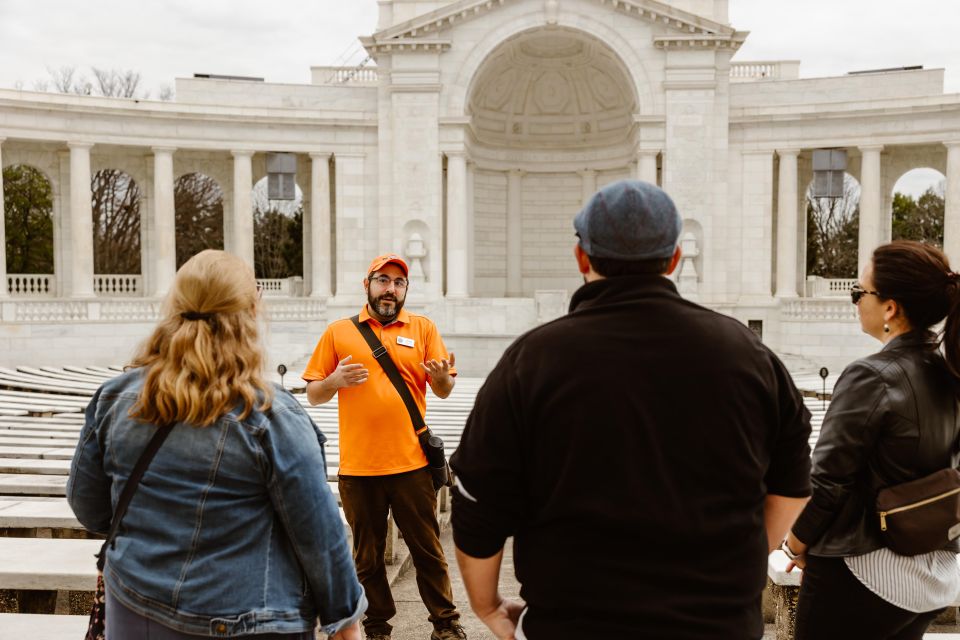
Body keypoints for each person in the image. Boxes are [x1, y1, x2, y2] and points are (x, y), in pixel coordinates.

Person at [450, 179, 813, 640]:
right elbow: (793, 482)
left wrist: (488, 606)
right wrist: (732, 568)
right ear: (675, 259)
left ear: (582, 257)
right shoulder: (750, 355)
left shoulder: (532, 360)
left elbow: (477, 500)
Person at [68, 250, 365, 639]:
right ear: (249, 316)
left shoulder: (115, 398)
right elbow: (319, 536)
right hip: (250, 618)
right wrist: (347, 625)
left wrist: (158, 526)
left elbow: (89, 508)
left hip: (135, 607)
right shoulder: (273, 417)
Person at [784, 240, 960, 640]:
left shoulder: (872, 375)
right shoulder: (949, 371)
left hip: (865, 573)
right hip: (932, 574)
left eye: (858, 292)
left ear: (890, 308)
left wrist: (793, 546)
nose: (855, 302)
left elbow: (828, 484)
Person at [302, 253, 467, 640]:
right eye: (382, 280)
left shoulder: (424, 328)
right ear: (367, 285)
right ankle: (376, 627)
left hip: (411, 465)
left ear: (405, 289)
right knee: (366, 557)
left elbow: (443, 390)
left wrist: (442, 378)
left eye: (398, 282)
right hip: (359, 468)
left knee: (428, 550)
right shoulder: (339, 332)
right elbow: (313, 393)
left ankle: (445, 623)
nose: (390, 289)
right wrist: (334, 381)